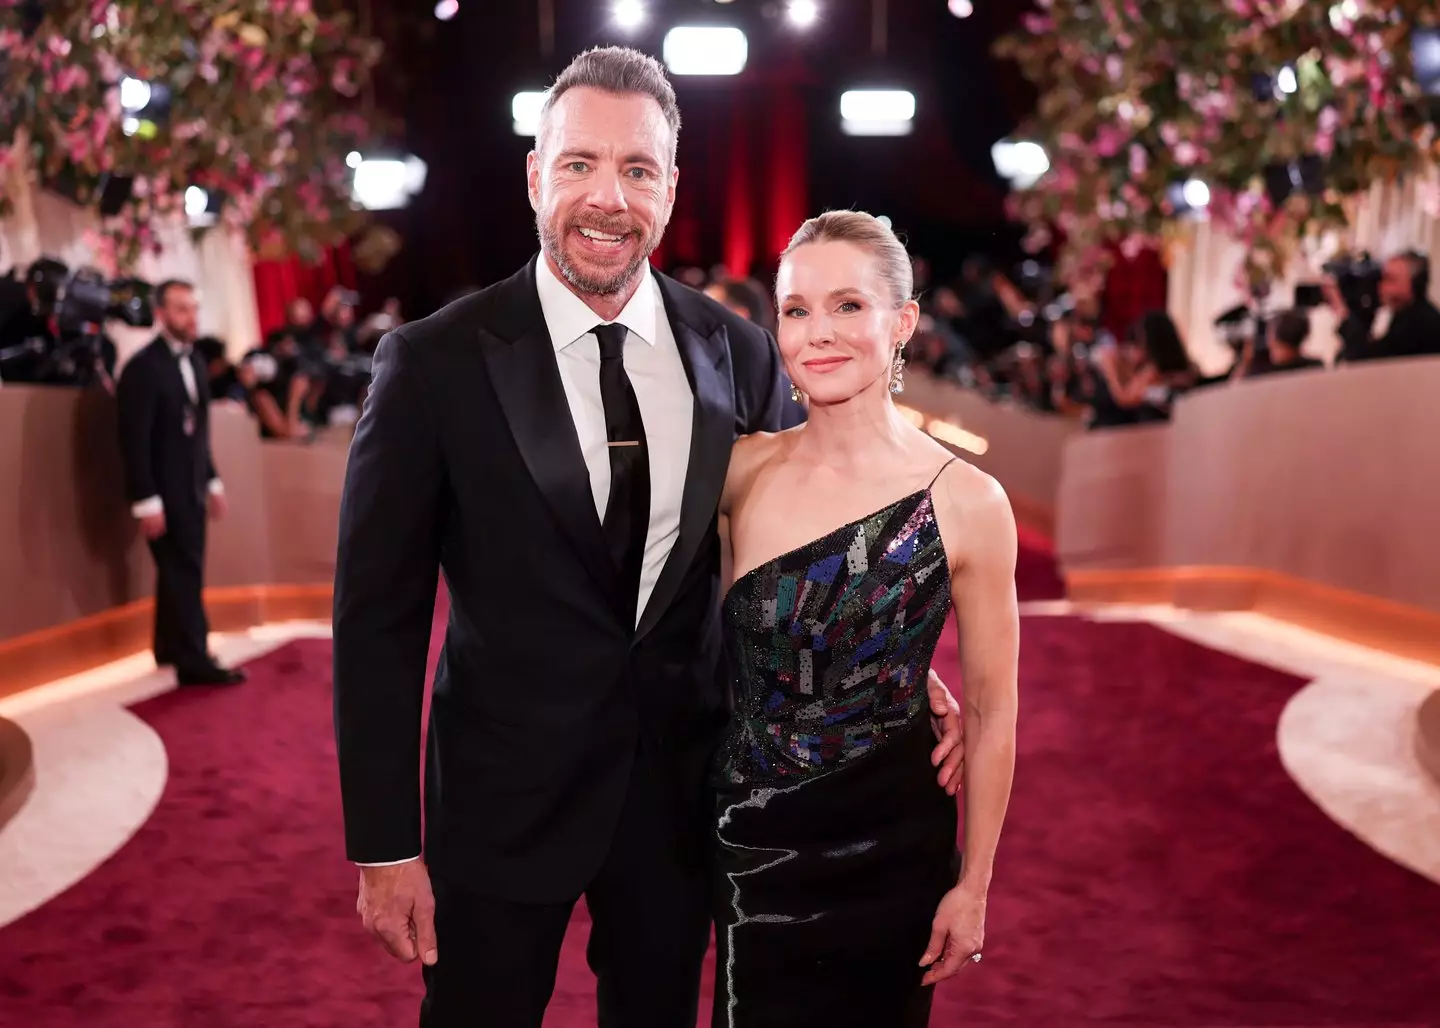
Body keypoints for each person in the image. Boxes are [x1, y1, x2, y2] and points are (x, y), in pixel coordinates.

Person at [330, 46, 966, 1028]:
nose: (606, 197)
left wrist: (886, 659)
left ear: (671, 189)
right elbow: (378, 618)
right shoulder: (431, 363)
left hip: (683, 795)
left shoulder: (742, 351)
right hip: (500, 802)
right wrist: (382, 840)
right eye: (579, 163)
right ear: (535, 174)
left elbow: (784, 541)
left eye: (636, 169)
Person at [714, 211, 1019, 1026]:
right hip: (754, 847)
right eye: (797, 309)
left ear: (904, 322)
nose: (820, 333)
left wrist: (974, 886)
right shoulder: (736, 473)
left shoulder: (969, 501)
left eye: (849, 306)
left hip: (897, 852)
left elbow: (992, 711)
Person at [116, 280, 246, 687]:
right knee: (183, 571)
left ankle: (170, 647)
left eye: (193, 308)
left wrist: (211, 481)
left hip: (191, 487)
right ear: (160, 314)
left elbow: (198, 431)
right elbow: (132, 440)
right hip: (161, 494)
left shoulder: (193, 363)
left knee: (179, 571)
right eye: (180, 309)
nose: (190, 317)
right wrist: (146, 501)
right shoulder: (141, 369)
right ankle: (195, 659)